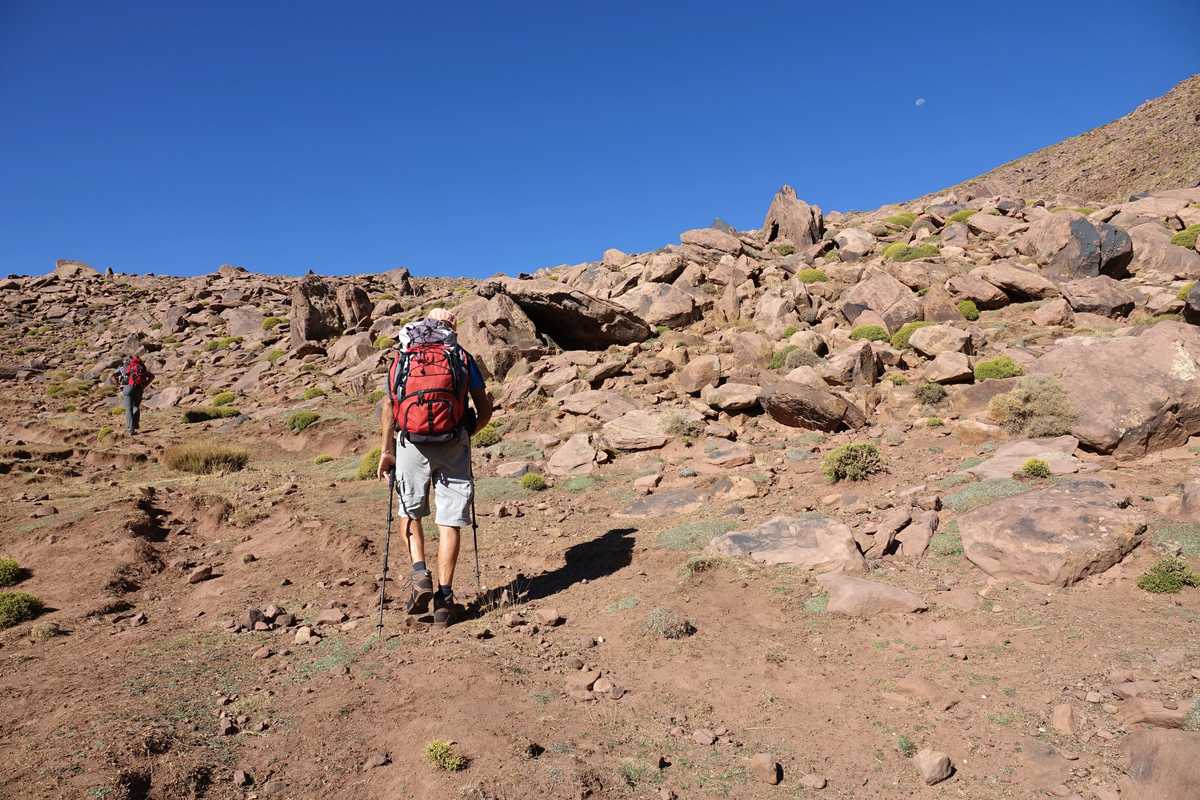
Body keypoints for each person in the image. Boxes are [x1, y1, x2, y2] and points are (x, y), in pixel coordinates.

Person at [377, 307, 493, 628]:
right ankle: (444, 599)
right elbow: (484, 408)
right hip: (453, 440)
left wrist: (387, 450)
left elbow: (389, 406)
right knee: (450, 519)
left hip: (410, 443)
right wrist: (467, 432)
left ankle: (419, 573)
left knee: (409, 511)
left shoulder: (403, 356)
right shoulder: (460, 356)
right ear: (451, 326)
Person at [109, 355, 154, 435]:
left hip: (128, 388)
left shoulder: (124, 367)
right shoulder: (141, 367)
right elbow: (152, 376)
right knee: (135, 407)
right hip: (139, 388)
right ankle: (135, 425)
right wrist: (145, 385)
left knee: (128, 409)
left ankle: (130, 429)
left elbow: (113, 376)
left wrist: (118, 385)